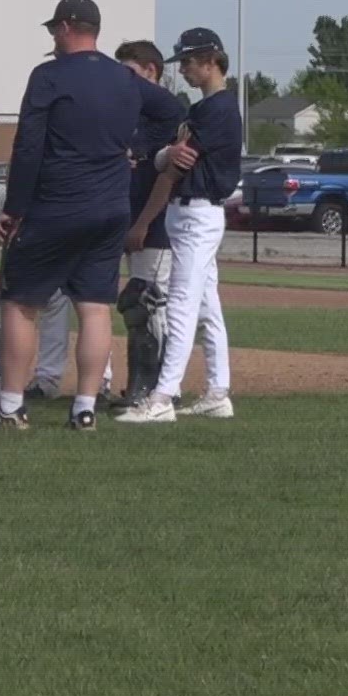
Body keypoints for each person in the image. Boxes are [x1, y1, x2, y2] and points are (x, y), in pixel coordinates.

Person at [0, 0, 182, 431]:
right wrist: (136, 144)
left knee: (21, 302)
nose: (52, 36)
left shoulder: (48, 76)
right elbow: (172, 110)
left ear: (68, 27)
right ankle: (85, 408)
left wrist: (14, 207)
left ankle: (12, 404)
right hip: (110, 206)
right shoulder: (124, 78)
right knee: (94, 306)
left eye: (55, 28)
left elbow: (28, 145)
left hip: (57, 203)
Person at [29, 39, 184, 406]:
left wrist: (143, 222)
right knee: (88, 298)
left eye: (130, 72)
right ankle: (100, 383)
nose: (123, 79)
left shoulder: (170, 118)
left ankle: (161, 387)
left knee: (151, 303)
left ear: (150, 71)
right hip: (109, 215)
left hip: (152, 220)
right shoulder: (121, 109)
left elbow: (167, 174)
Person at [118, 28, 243, 425]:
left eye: (188, 62)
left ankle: (163, 396)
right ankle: (218, 392)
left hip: (198, 212)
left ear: (210, 60)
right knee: (207, 307)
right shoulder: (203, 107)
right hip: (189, 211)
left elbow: (172, 167)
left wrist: (162, 162)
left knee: (182, 305)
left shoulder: (218, 108)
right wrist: (163, 157)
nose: (184, 69)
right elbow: (166, 160)